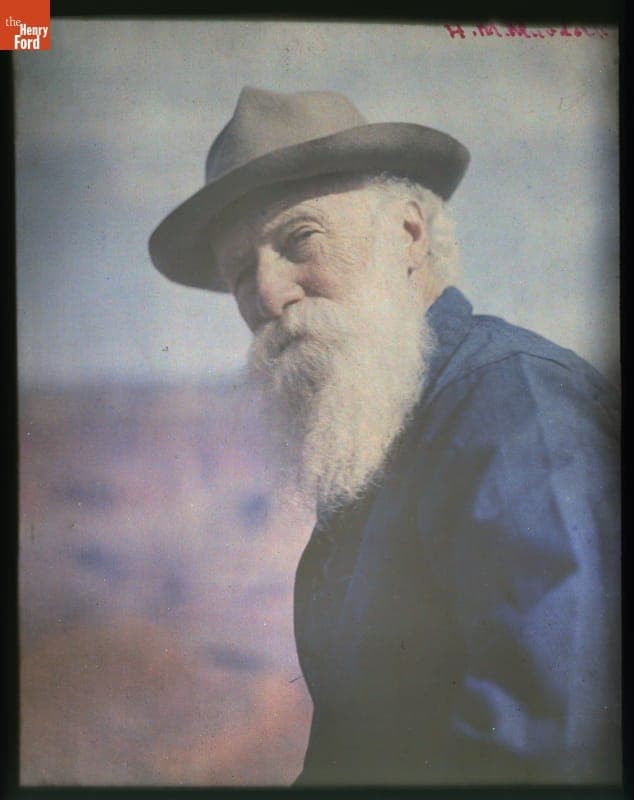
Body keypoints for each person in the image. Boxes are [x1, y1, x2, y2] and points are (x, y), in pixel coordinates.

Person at [149, 87, 621, 786]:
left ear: (408, 235)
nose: (269, 295)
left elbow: (556, 731)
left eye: (299, 240)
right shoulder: (383, 428)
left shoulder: (509, 402)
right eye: (242, 272)